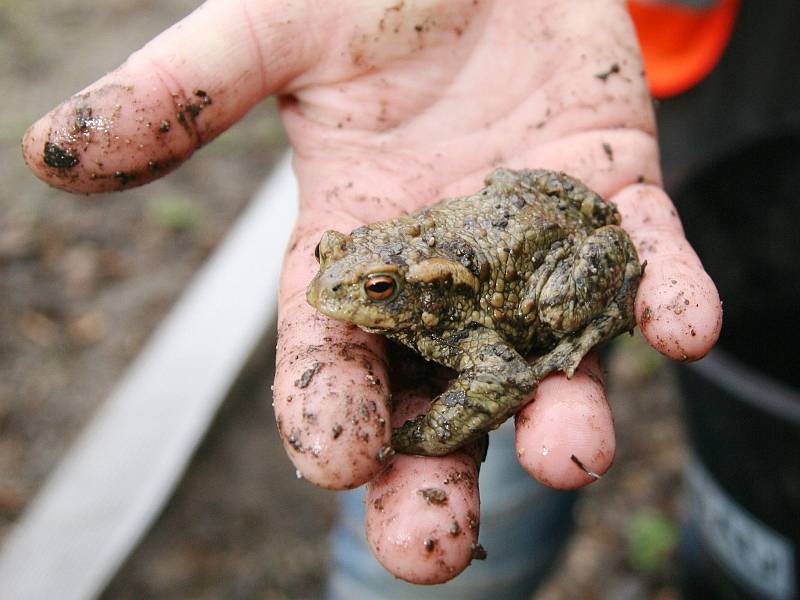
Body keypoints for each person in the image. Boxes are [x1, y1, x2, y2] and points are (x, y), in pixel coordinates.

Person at [22, 0, 721, 589]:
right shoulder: (398, 281)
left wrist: (425, 430)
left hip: (572, 222)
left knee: (553, 320)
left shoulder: (453, 321)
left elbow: (503, 370)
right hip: (587, 124)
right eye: (339, 262)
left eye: (379, 291)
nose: (342, 290)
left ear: (409, 297)